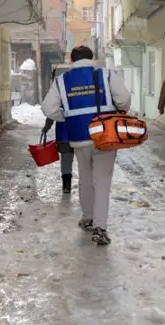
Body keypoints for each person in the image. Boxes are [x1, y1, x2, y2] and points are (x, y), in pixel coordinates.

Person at [41, 46, 132, 246]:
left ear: (71, 60)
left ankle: (88, 217)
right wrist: (119, 109)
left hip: (78, 137)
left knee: (85, 177)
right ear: (91, 58)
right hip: (105, 136)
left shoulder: (62, 81)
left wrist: (65, 117)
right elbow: (124, 99)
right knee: (103, 180)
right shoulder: (107, 75)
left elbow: (48, 108)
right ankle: (100, 227)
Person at [41, 117, 74, 194]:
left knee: (66, 160)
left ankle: (66, 186)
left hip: (64, 132)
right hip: (84, 133)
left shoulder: (59, 103)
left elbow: (52, 112)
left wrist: (46, 127)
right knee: (84, 161)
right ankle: (87, 186)